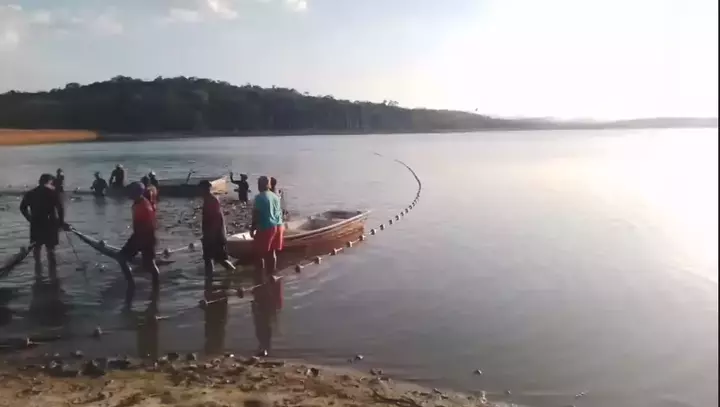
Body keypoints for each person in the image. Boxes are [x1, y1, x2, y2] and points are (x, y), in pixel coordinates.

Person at [20, 174, 69, 274]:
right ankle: (53, 274)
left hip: (36, 224)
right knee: (51, 250)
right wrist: (61, 222)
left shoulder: (30, 193)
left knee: (36, 249)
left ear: (39, 181)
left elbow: (22, 208)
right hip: (50, 224)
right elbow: (60, 209)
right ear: (49, 182)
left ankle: (38, 273)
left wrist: (29, 218)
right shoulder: (53, 193)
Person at [117, 182, 159, 293]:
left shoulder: (143, 206)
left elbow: (147, 225)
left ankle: (131, 284)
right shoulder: (139, 203)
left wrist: (139, 242)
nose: (128, 193)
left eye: (130, 191)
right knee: (149, 264)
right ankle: (155, 286)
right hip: (143, 236)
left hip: (144, 237)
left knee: (122, 258)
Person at [250, 176, 284, 285]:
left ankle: (259, 279)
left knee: (259, 254)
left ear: (261, 185)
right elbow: (279, 212)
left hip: (266, 227)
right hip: (278, 226)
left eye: (258, 184)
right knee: (272, 252)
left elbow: (256, 214)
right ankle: (271, 275)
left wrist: (252, 228)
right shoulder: (275, 196)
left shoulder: (259, 197)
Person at [200, 180, 235, 277]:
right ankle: (209, 278)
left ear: (205, 189)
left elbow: (218, 219)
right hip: (210, 234)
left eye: (201, 188)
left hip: (214, 235)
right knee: (208, 258)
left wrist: (214, 235)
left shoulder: (212, 200)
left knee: (220, 259)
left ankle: (233, 273)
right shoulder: (207, 200)